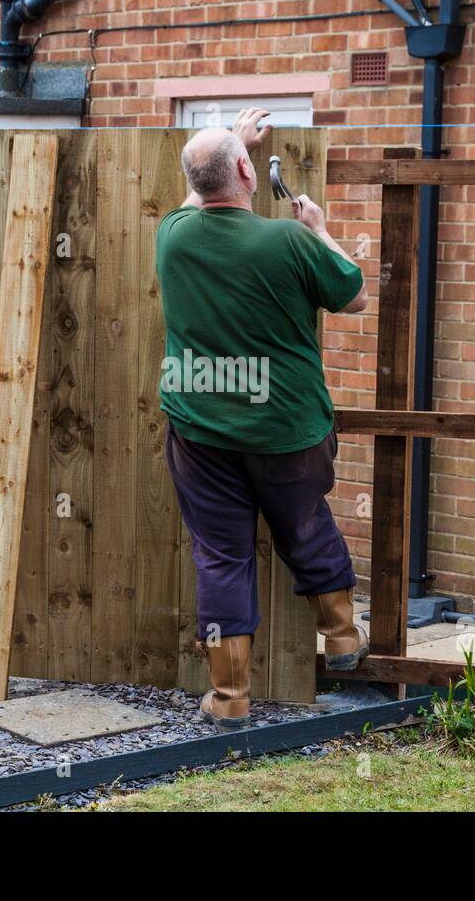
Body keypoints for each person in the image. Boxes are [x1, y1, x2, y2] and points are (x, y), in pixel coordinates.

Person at [155, 108, 371, 732]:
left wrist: (228, 151)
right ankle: (341, 637)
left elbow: (193, 198)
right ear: (250, 171)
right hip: (288, 428)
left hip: (201, 429)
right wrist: (321, 228)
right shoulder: (291, 240)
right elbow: (354, 295)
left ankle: (228, 698)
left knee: (220, 556)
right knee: (304, 524)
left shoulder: (174, 234)